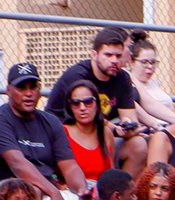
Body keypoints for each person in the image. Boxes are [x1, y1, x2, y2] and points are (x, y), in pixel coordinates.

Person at [0, 63, 83, 200]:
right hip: (7, 191)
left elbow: (69, 167)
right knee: (31, 191)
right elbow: (17, 165)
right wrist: (54, 193)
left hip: (47, 189)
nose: (28, 93)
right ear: (8, 90)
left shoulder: (51, 122)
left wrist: (83, 192)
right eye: (21, 88)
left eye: (33, 87)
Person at [45, 26, 148, 178]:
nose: (114, 60)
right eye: (108, 55)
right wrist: (115, 130)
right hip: (69, 135)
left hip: (99, 132)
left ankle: (120, 188)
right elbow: (87, 115)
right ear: (94, 54)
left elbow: (129, 116)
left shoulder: (122, 77)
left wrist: (129, 127)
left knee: (139, 145)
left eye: (118, 56)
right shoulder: (78, 75)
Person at [61, 80, 118, 185]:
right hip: (73, 191)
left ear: (97, 104)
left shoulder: (106, 132)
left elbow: (111, 172)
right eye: (76, 103)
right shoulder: (62, 133)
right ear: (70, 107)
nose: (82, 108)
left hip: (102, 191)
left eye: (88, 102)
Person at [126, 33, 175, 128]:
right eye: (144, 62)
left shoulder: (154, 82)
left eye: (153, 62)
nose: (150, 66)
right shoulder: (127, 82)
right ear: (131, 62)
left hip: (169, 125)